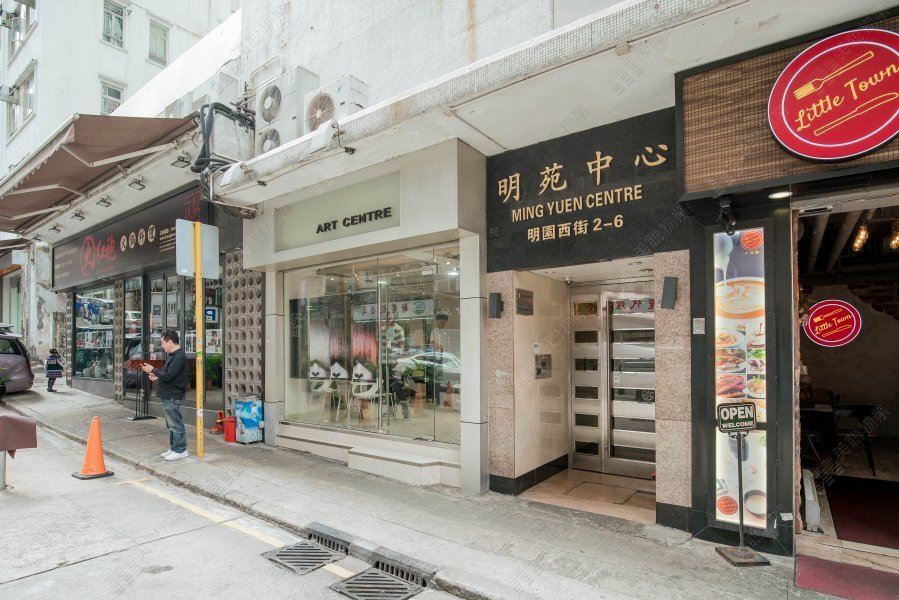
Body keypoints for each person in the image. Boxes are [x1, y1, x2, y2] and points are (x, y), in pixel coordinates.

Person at [142, 330, 188, 461]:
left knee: (175, 423)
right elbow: (166, 374)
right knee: (171, 424)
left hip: (172, 395)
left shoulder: (179, 357)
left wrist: (153, 370)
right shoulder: (173, 355)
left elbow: (169, 376)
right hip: (168, 394)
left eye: (163, 343)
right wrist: (156, 375)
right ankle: (174, 448)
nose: (162, 346)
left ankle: (180, 450)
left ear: (170, 342)